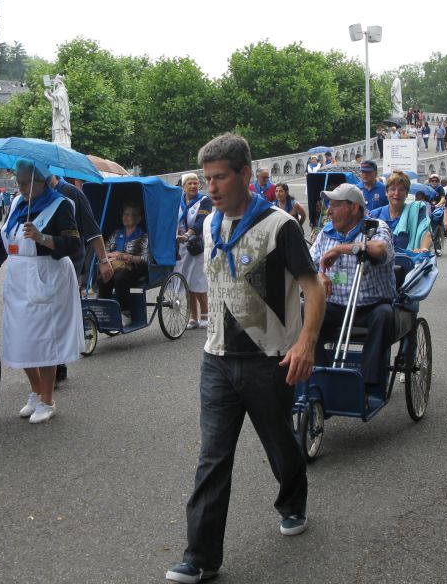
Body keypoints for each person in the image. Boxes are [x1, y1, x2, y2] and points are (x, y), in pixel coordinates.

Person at [168, 133, 325, 584]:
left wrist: (306, 343)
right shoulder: (209, 224)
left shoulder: (279, 226)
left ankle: (293, 500)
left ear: (243, 174)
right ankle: (200, 557)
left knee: (278, 441)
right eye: (207, 179)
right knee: (213, 457)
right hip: (216, 357)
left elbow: (312, 287)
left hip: (268, 358)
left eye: (220, 178)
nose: (212, 187)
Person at [0, 160, 84, 424]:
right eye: (19, 183)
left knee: (44, 339)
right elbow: (3, 240)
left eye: (25, 183)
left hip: (47, 275)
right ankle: (35, 391)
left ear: (41, 182)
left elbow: (72, 244)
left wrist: (42, 238)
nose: (20, 188)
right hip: (19, 277)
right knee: (20, 337)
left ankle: (47, 399)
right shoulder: (17, 205)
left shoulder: (60, 206)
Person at [310, 183, 397, 395]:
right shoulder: (326, 233)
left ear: (354, 208)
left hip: (370, 307)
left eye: (334, 205)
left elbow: (379, 249)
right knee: (303, 311)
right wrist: (319, 275)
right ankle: (319, 376)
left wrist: (341, 249)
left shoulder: (376, 227)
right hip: (335, 305)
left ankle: (368, 385)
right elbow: (309, 264)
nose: (328, 211)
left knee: (384, 315)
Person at [49, 173, 112, 382]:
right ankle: (51, 362)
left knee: (61, 311)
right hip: (45, 263)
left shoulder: (72, 193)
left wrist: (103, 260)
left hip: (71, 259)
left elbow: (92, 230)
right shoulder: (35, 197)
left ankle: (59, 363)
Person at [370, 172, 432, 283]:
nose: (396, 193)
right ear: (386, 192)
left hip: (406, 272)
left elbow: (425, 233)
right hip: (378, 273)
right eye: (392, 189)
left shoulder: (416, 211)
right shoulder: (375, 215)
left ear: (407, 193)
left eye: (401, 190)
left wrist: (423, 249)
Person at [99, 202, 149, 328]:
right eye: (125, 214)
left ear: (138, 219)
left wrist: (128, 257)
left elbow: (146, 259)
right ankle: (105, 311)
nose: (126, 217)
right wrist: (114, 255)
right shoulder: (117, 234)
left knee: (119, 278)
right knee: (102, 278)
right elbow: (104, 251)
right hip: (115, 266)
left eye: (131, 215)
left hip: (134, 268)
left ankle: (126, 313)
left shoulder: (143, 237)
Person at [175, 173, 212, 330]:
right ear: (183, 186)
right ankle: (193, 316)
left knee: (198, 280)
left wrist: (188, 234)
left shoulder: (204, 201)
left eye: (195, 183)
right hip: (180, 245)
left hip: (197, 244)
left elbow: (201, 221)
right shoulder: (178, 200)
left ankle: (205, 314)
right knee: (186, 281)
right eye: (189, 183)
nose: (193, 186)